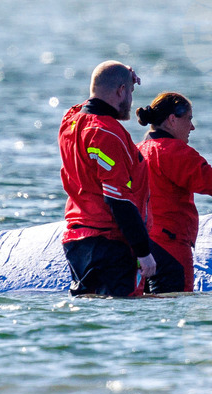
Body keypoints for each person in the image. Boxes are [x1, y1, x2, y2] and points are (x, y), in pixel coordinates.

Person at [58, 60, 155, 297]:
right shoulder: (108, 133)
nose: (131, 101)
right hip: (109, 244)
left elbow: (92, 101)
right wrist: (144, 252)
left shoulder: (69, 121)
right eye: (130, 92)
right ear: (120, 91)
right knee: (121, 318)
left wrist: (121, 77)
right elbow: (117, 200)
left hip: (77, 241)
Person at [136, 93, 212, 293]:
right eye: (189, 119)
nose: (192, 127)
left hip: (141, 247)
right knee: (176, 307)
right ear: (172, 119)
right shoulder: (174, 151)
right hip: (170, 246)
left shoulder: (137, 150)